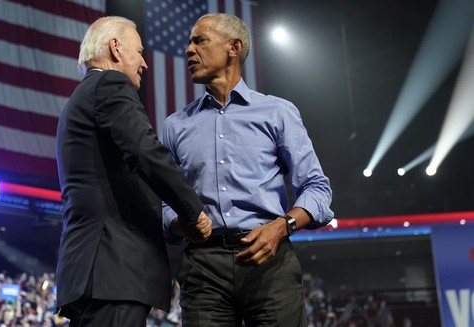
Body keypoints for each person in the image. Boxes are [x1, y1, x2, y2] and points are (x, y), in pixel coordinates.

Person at [161, 13, 334, 326]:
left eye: (199, 40)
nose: (188, 49)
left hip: (271, 259)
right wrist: (178, 224)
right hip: (203, 268)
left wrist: (282, 226)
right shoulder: (175, 126)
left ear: (234, 47)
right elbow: (162, 203)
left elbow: (317, 189)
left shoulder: (278, 112)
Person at [55, 16, 212, 327]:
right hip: (113, 269)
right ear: (115, 47)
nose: (144, 63)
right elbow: (146, 152)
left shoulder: (82, 96)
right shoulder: (110, 85)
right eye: (139, 52)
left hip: (95, 272)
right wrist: (194, 211)